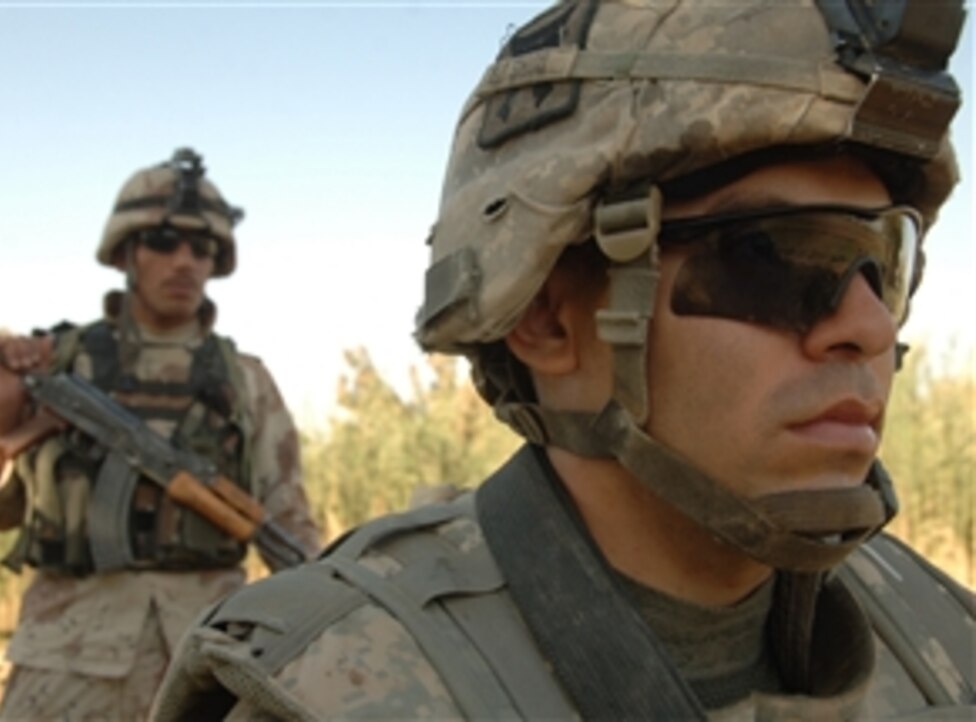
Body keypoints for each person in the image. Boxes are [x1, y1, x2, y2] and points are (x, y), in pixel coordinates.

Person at [153, 2, 975, 720]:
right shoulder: (341, 688)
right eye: (783, 259)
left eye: (885, 262)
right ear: (547, 317)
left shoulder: (944, 636)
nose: (867, 325)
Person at [0, 147, 321, 721]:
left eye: (202, 249)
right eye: (163, 242)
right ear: (126, 252)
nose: (184, 262)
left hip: (207, 654)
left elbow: (291, 520)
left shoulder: (244, 381)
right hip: (67, 656)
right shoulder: (56, 362)